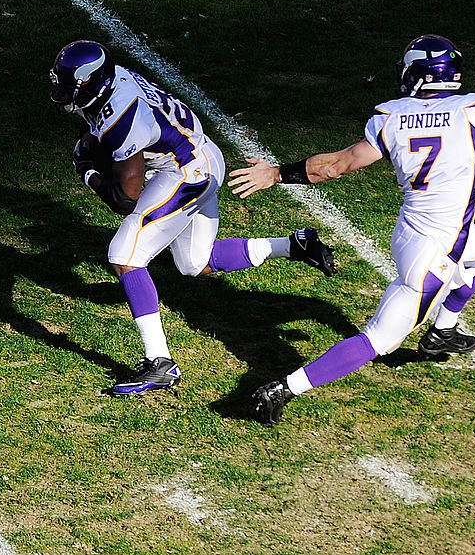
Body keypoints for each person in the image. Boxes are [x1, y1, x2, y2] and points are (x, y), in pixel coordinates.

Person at [228, 35, 475, 425]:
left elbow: (335, 166)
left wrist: (277, 173)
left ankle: (443, 331)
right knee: (378, 341)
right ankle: (283, 388)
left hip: (411, 232)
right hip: (435, 252)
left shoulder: (393, 117)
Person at [49, 40, 338, 395]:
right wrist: (92, 147)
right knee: (193, 263)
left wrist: (88, 172)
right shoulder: (112, 83)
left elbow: (125, 197)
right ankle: (295, 245)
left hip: (186, 172)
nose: (63, 93)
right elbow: (96, 127)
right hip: (198, 155)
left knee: (125, 254)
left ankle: (160, 364)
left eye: (71, 87)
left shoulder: (123, 116)